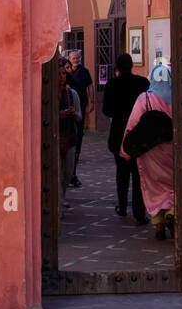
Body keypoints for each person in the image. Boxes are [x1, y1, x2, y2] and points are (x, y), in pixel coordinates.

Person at [120, 63, 175, 240]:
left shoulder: (145, 98)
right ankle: (172, 212)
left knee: (153, 187)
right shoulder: (176, 96)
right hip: (171, 149)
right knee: (172, 185)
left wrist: (125, 150)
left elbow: (133, 123)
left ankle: (159, 224)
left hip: (149, 152)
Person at [102, 51, 149, 223]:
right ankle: (139, 212)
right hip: (138, 133)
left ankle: (122, 206)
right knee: (138, 174)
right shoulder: (142, 83)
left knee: (121, 172)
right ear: (132, 65)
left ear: (117, 67)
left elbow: (106, 110)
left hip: (119, 133)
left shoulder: (112, 85)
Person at [57, 56, 82, 209]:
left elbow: (79, 117)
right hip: (55, 137)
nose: (61, 77)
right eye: (59, 74)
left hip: (70, 136)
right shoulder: (49, 95)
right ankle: (59, 202)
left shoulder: (72, 94)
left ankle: (62, 196)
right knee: (57, 172)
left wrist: (73, 113)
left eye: (63, 74)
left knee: (67, 172)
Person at [66, 50, 92, 188]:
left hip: (79, 109)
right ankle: (70, 174)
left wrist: (91, 102)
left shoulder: (84, 72)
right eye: (73, 58)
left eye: (77, 57)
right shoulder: (65, 73)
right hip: (67, 112)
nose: (76, 59)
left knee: (77, 141)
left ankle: (73, 173)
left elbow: (90, 86)